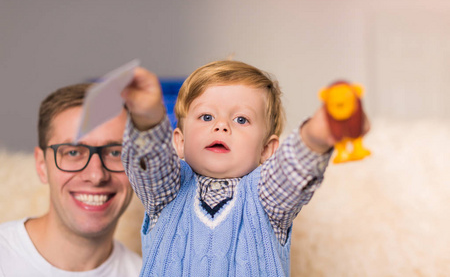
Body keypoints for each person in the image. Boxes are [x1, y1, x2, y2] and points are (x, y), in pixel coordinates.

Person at [121, 60, 368, 276]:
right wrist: (147, 117)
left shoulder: (266, 196)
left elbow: (292, 170)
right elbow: (149, 161)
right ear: (180, 142)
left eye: (241, 119)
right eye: (206, 117)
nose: (221, 126)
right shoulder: (167, 192)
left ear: (266, 150)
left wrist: (317, 134)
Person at [0, 84, 141, 276]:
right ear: (42, 165)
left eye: (115, 153)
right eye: (73, 152)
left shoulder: (145, 272)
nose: (96, 175)